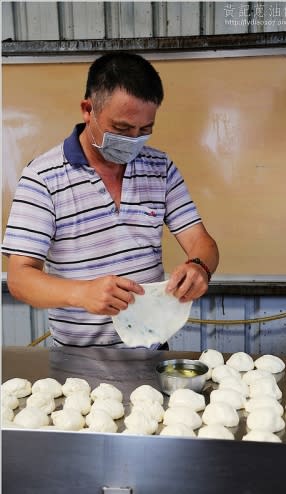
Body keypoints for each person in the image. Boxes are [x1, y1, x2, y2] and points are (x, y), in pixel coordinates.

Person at [2, 52, 219, 348]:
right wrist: (82, 293)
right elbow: (20, 279)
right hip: (77, 362)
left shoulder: (159, 168)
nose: (133, 141)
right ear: (88, 110)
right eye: (121, 129)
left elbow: (202, 242)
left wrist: (199, 266)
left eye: (145, 130)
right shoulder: (43, 177)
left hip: (151, 351)